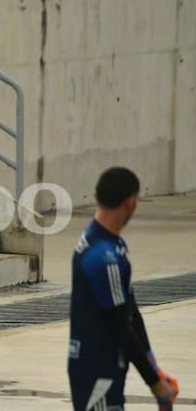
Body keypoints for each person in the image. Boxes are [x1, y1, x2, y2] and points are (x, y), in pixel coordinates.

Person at [68, 167, 178, 410]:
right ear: (130, 203)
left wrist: (155, 370)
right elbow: (121, 326)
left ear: (96, 197)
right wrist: (155, 384)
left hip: (107, 367)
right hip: (97, 371)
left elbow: (131, 312)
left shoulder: (110, 244)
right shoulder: (104, 258)